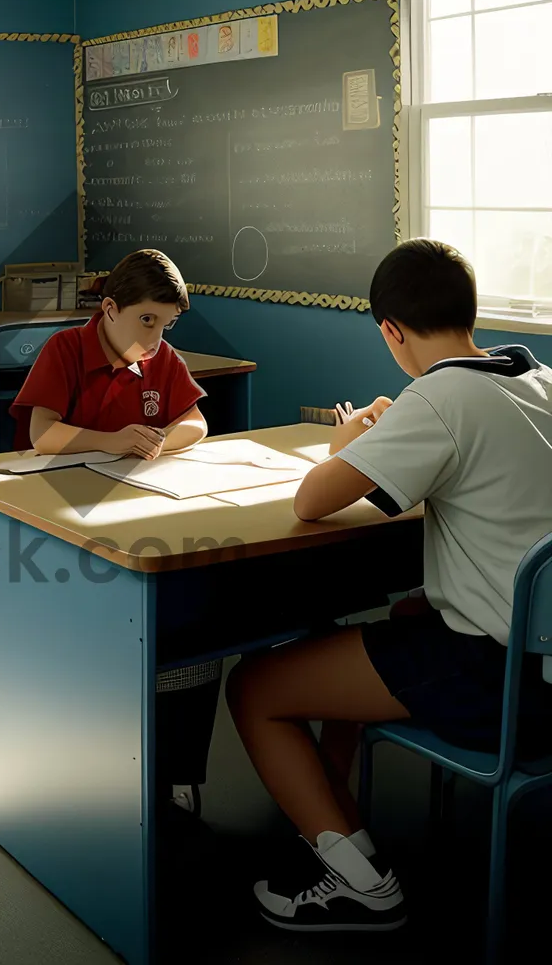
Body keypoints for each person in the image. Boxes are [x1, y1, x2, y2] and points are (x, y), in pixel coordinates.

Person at [226, 238, 552, 933]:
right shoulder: (538, 380)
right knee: (395, 616)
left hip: (495, 683)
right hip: (542, 666)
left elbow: (312, 501)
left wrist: (347, 448)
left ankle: (362, 885)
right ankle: (332, 811)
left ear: (391, 332)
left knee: (253, 687)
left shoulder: (439, 397)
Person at [10, 249, 217, 817]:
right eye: (146, 320)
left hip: (137, 516)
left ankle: (173, 771)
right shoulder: (66, 350)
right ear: (109, 309)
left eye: (166, 325)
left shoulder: (161, 358)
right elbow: (41, 435)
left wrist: (156, 441)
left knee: (187, 627)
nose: (154, 336)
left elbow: (196, 422)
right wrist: (112, 438)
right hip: (63, 517)